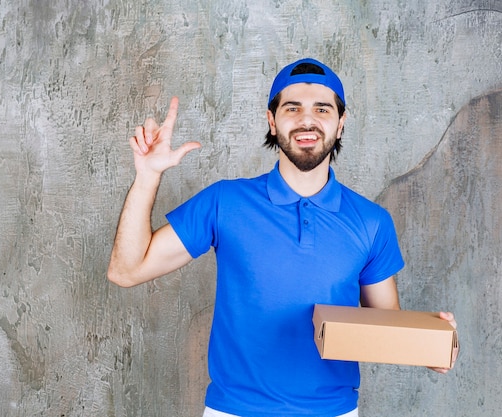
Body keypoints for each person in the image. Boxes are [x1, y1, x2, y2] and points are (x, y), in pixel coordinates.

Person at [108, 58, 457, 417]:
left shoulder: (372, 222)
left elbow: (386, 326)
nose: (307, 121)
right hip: (234, 411)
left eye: (322, 109)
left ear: (341, 123)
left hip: (333, 412)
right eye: (292, 108)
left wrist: (430, 346)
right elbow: (126, 271)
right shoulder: (224, 202)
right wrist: (148, 175)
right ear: (272, 121)